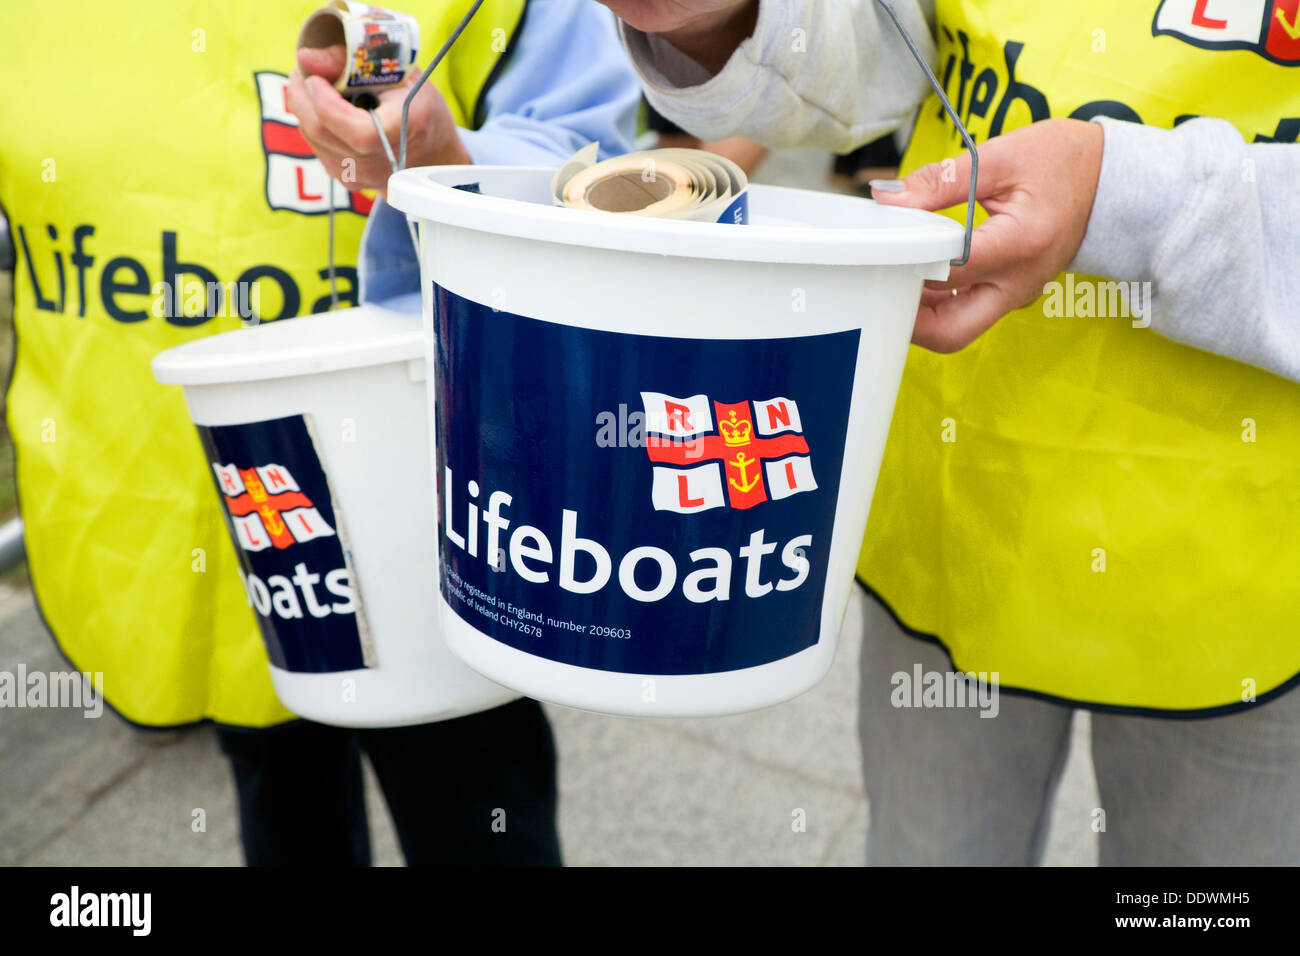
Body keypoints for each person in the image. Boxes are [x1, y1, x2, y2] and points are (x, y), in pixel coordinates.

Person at [597, 0, 1300, 864]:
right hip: (953, 518)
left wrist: (1119, 194)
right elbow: (888, 49)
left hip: (1245, 581)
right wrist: (730, 25)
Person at [0, 0, 639, 865]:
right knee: (284, 805)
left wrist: (450, 162)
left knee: (478, 812)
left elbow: (597, 165)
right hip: (188, 511)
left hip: (431, 508)